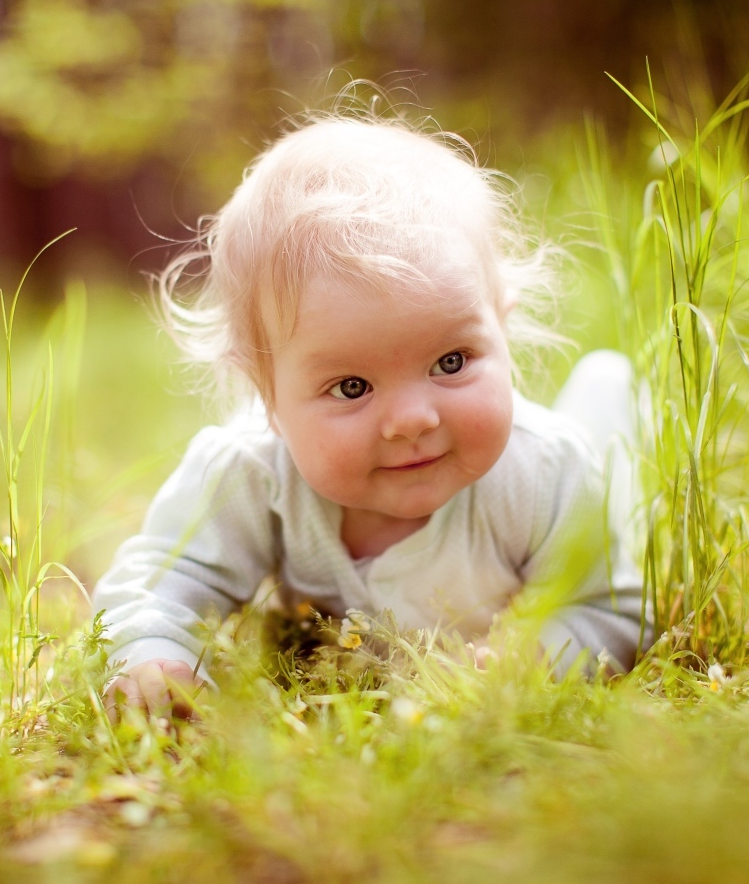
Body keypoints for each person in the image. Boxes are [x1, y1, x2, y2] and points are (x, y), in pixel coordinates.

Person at [92, 114, 651, 719]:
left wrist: (536, 655)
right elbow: (164, 579)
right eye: (352, 386)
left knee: (613, 468)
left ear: (502, 328)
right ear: (267, 394)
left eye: (451, 361)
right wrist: (154, 654)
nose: (411, 419)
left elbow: (607, 605)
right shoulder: (252, 473)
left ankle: (608, 392)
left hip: (585, 469)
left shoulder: (547, 472)